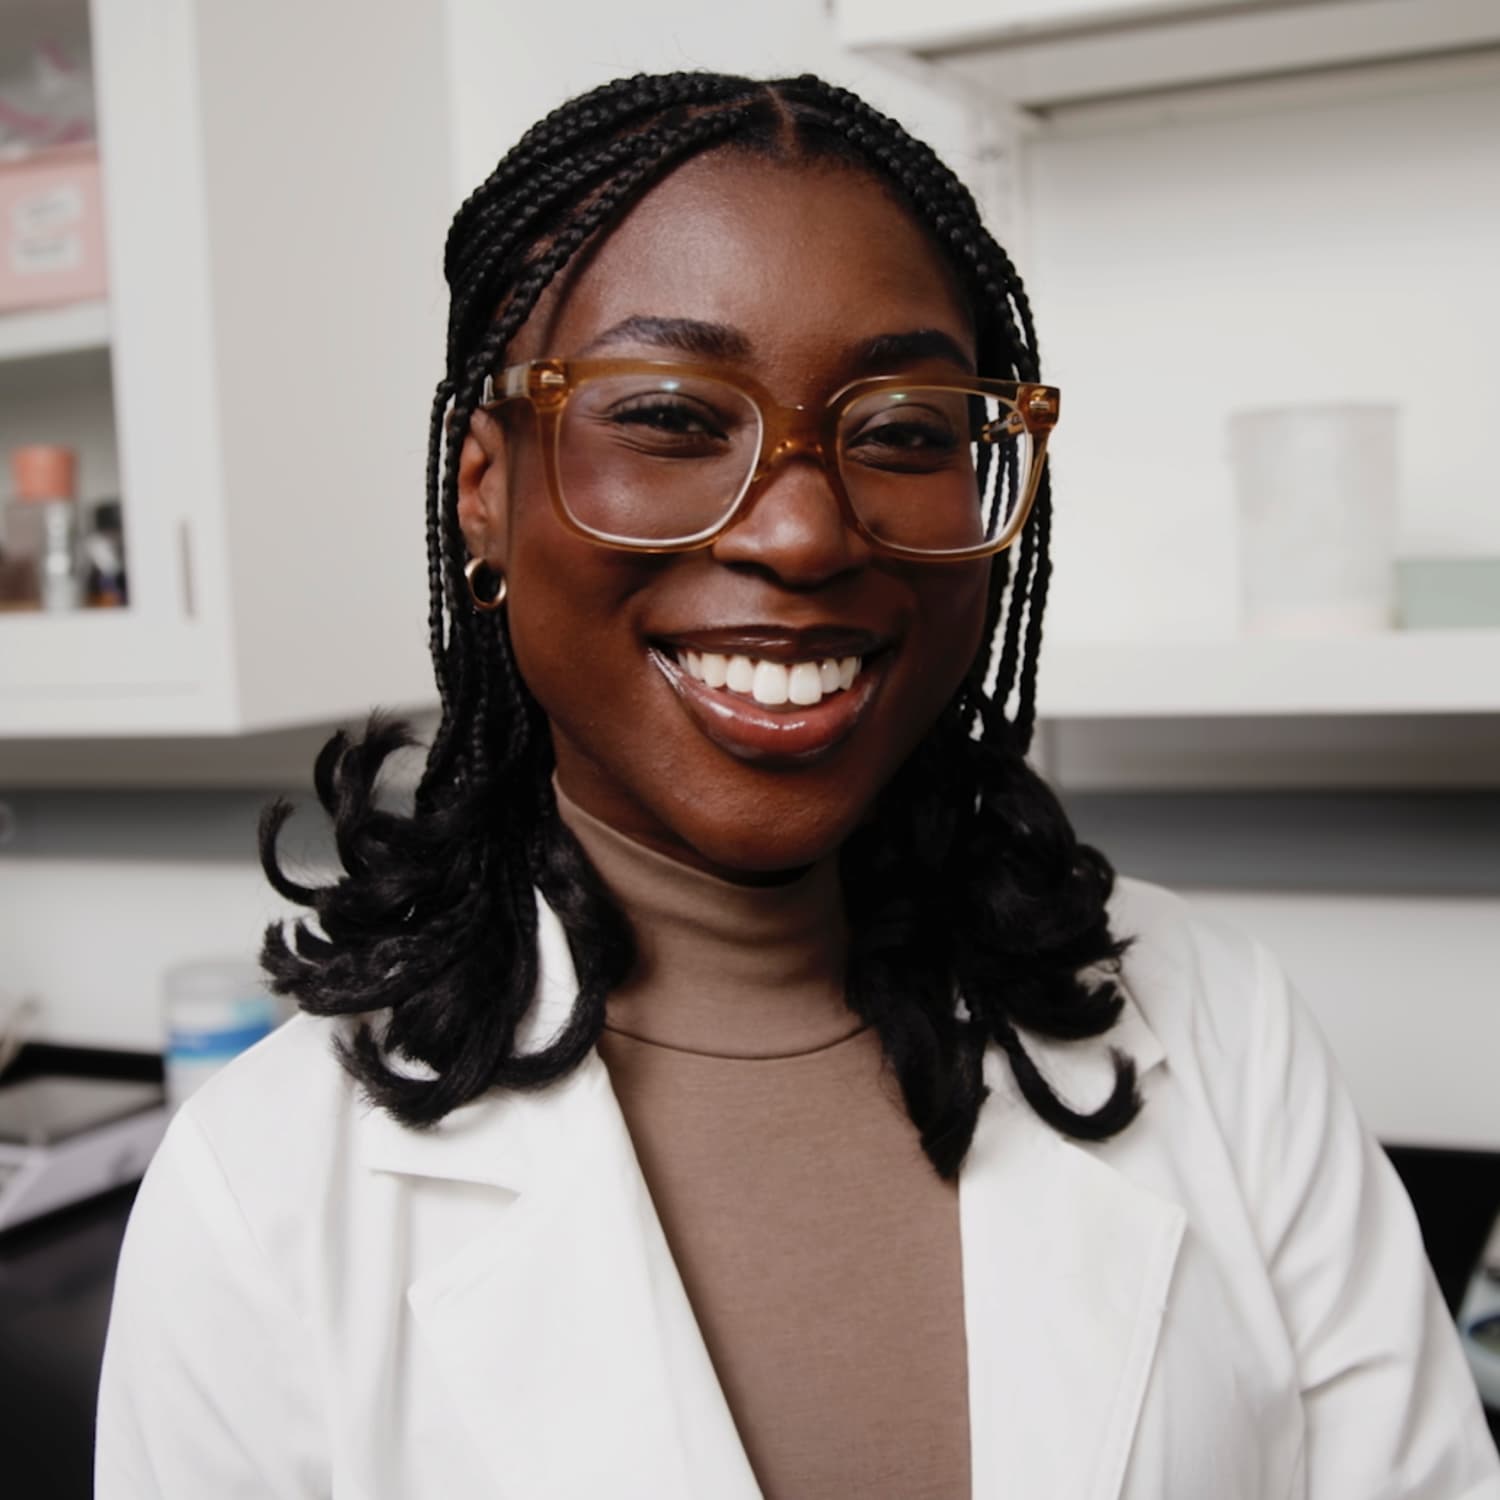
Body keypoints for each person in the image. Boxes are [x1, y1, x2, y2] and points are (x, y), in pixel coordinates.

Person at [95, 71, 1498, 1499]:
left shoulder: (1227, 1032)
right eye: (669, 416)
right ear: (483, 489)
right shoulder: (257, 1201)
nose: (806, 533)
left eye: (905, 432)